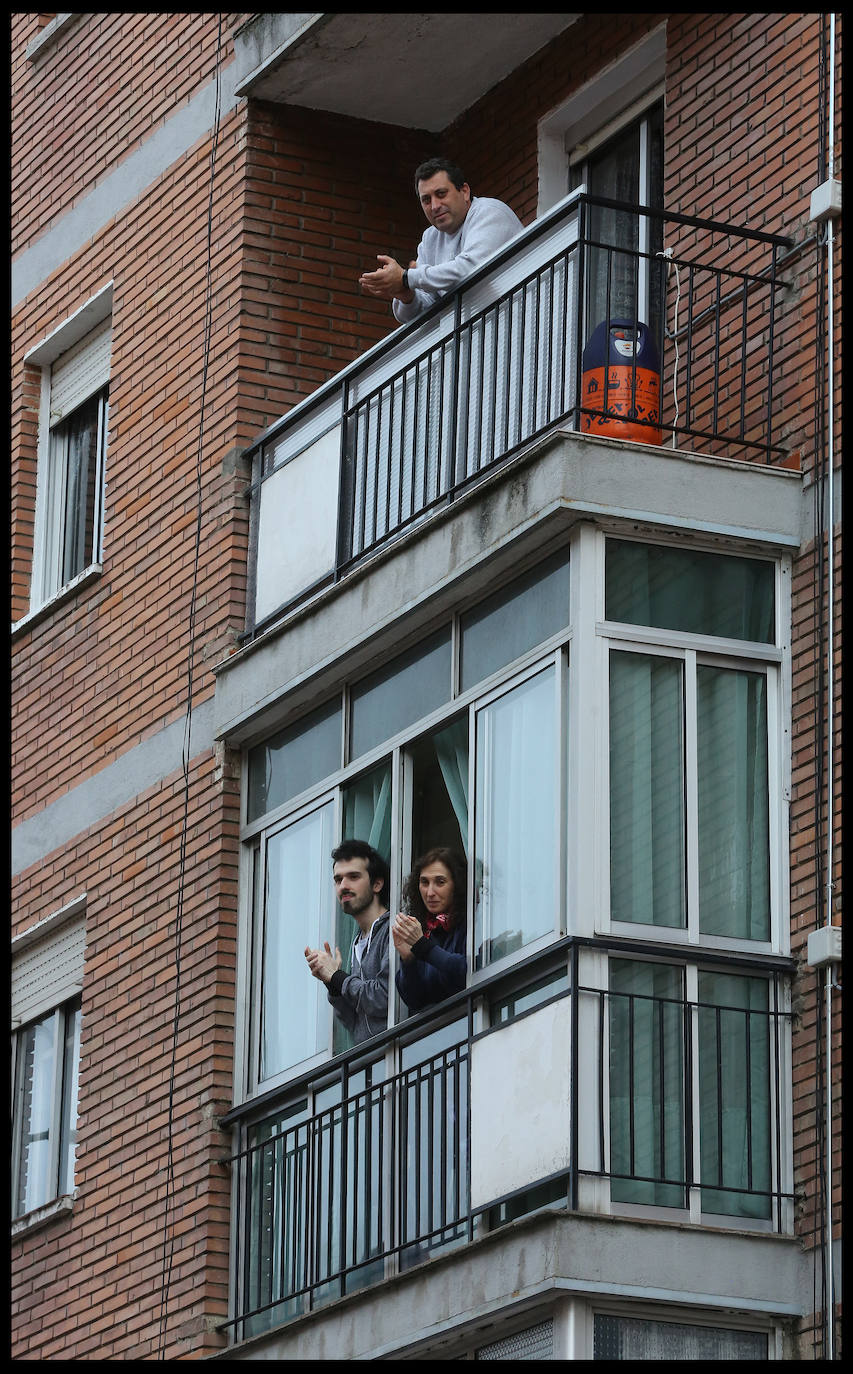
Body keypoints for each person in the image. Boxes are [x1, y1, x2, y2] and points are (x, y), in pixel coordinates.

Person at [358, 157, 523, 324]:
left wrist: (407, 278)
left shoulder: (489, 212)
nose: (435, 206)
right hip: (480, 338)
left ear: (465, 191)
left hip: (523, 327)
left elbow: (470, 268)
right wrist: (406, 294)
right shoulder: (430, 239)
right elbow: (418, 312)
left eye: (441, 194)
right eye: (426, 200)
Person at [304, 840, 390, 1045]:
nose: (343, 886)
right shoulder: (356, 943)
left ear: (377, 884)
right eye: (338, 879)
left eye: (353, 877)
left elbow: (384, 999)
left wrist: (338, 977)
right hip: (369, 1065)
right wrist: (332, 984)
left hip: (401, 1060)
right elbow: (355, 1024)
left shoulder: (394, 929)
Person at [392, 847, 467, 1012]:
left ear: (458, 884)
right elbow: (414, 1002)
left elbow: (468, 972)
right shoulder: (423, 930)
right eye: (424, 882)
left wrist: (423, 947)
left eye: (440, 882)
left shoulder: (472, 922)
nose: (430, 892)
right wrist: (408, 960)